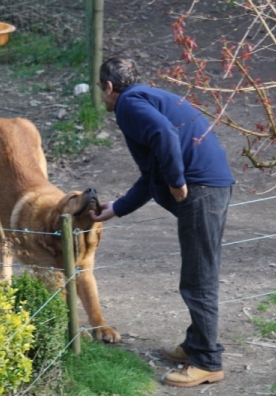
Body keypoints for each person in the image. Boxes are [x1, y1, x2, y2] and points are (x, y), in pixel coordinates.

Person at [90, 56, 235, 388]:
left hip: (202, 189)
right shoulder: (148, 97)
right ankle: (195, 346)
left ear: (109, 87)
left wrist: (175, 180)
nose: (103, 97)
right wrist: (118, 208)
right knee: (198, 274)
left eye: (102, 90)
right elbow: (151, 170)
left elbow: (164, 136)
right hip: (209, 186)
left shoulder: (128, 104)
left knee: (199, 280)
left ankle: (208, 363)